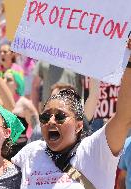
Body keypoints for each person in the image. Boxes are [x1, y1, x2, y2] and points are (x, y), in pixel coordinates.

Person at [12, 38, 131, 188]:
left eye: (60, 116)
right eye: (45, 116)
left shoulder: (95, 150)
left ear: (79, 125)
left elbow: (124, 117)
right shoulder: (31, 152)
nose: (51, 121)